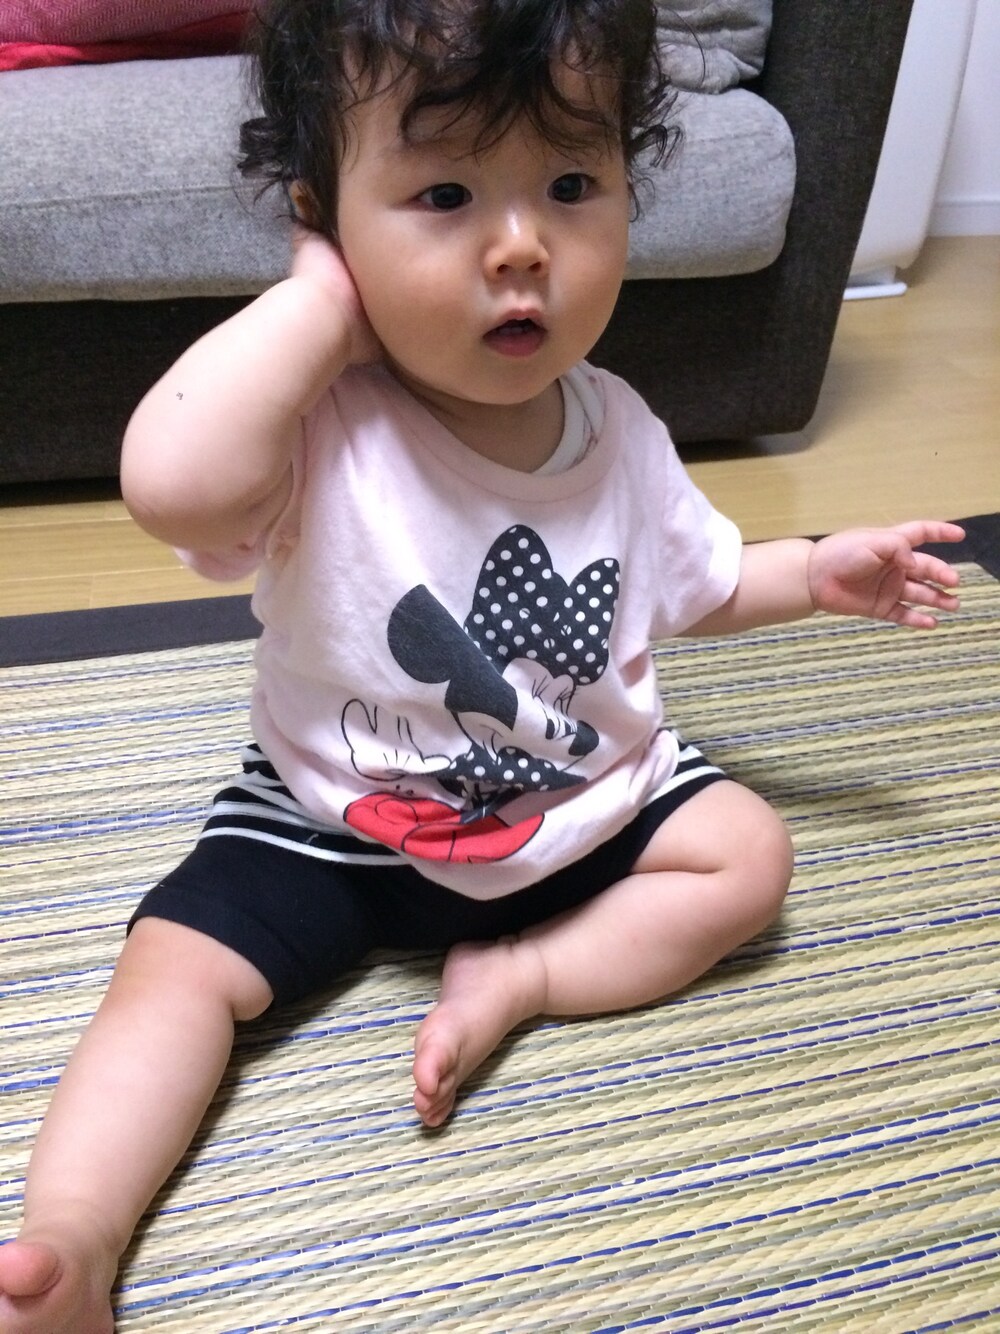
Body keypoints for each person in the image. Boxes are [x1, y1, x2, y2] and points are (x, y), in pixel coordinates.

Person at [0, 1, 964, 1330]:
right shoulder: (315, 422)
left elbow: (700, 583)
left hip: (584, 796)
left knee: (750, 857)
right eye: (445, 195)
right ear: (328, 222)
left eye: (570, 185)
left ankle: (528, 974)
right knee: (172, 970)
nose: (521, 245)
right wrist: (315, 311)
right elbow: (171, 487)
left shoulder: (621, 429)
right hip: (335, 808)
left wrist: (813, 573)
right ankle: (74, 1236)